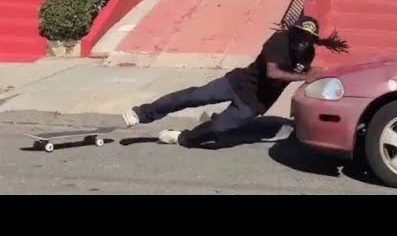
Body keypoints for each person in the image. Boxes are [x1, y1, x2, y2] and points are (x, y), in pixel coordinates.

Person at [121, 15, 349, 148]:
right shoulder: (279, 40)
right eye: (301, 36)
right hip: (238, 83)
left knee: (218, 130)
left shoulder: (308, 55)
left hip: (255, 103)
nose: (304, 42)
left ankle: (182, 137)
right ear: (294, 33)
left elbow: (300, 78)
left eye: (310, 39)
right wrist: (305, 76)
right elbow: (273, 73)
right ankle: (141, 113)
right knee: (193, 96)